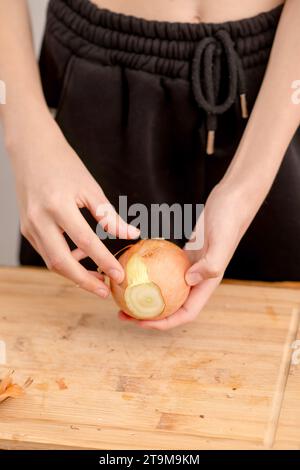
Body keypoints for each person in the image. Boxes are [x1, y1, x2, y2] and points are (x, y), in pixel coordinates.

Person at [1, 0, 300, 331]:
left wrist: (246, 187)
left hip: (277, 87)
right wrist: (26, 135)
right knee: (65, 329)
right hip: (96, 83)